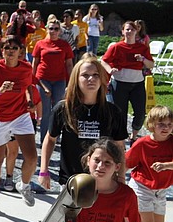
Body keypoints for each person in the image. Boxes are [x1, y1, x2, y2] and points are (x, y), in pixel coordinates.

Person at [40, 54, 127, 191]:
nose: (91, 79)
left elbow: (120, 146)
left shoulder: (113, 111)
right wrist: (44, 171)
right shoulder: (63, 108)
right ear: (76, 79)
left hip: (103, 180)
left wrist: (121, 177)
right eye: (85, 75)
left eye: (96, 75)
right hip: (71, 178)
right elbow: (50, 139)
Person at [0, 35, 37, 216]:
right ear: (2, 50)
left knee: (32, 157)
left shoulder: (26, 68)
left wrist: (30, 101)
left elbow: (28, 86)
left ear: (20, 51)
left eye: (14, 48)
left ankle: (24, 185)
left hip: (20, 115)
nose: (10, 51)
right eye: (6, 48)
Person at [125, 105, 173, 222]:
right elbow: (126, 163)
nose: (166, 127)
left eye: (169, 124)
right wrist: (118, 183)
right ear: (152, 124)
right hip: (141, 187)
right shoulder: (142, 144)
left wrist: (166, 166)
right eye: (161, 123)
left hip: (161, 190)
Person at [101, 21, 154, 141]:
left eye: (132, 30)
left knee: (140, 113)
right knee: (120, 114)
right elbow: (104, 61)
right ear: (123, 31)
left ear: (136, 31)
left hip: (137, 83)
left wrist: (143, 59)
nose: (130, 32)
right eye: (127, 29)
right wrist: (110, 70)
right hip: (119, 83)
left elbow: (151, 64)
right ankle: (120, 139)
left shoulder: (142, 48)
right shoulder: (116, 47)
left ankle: (134, 135)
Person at [32, 16, 74, 144]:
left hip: (59, 80)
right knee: (45, 110)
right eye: (51, 28)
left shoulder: (64, 45)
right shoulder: (40, 44)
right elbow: (35, 62)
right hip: (43, 79)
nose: (54, 31)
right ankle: (45, 138)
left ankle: (55, 135)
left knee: (58, 108)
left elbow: (69, 64)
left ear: (60, 31)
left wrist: (71, 81)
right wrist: (32, 80)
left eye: (56, 29)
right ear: (47, 29)